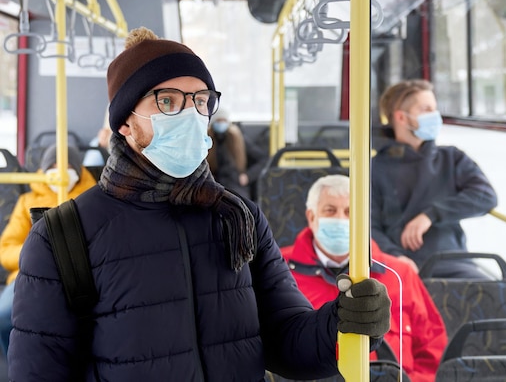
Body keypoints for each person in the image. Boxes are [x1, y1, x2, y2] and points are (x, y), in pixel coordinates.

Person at [8, 27, 391, 381]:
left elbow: (287, 341)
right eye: (168, 101)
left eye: (201, 100)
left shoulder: (238, 218)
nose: (191, 115)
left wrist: (343, 323)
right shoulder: (64, 238)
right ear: (126, 122)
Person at [281, 174, 448, 382]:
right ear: (312, 217)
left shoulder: (400, 274)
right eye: (330, 211)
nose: (340, 219)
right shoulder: (278, 271)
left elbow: (432, 352)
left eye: (349, 212)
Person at [372, 79, 498, 278]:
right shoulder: (375, 168)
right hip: (399, 265)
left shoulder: (452, 158)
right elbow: (369, 227)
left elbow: (485, 197)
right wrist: (395, 257)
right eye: (426, 109)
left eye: (434, 108)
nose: (434, 115)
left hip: (452, 261)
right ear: (401, 118)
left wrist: (430, 215)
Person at [0, 144, 96, 358]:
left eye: (66, 165)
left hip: (81, 274)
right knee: (4, 315)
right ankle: (16, 362)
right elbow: (6, 249)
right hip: (28, 274)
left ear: (78, 170)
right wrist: (36, 256)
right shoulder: (27, 202)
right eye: (52, 165)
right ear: (44, 170)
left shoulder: (92, 200)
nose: (59, 171)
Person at [206, 108, 253, 198]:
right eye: (218, 121)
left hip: (235, 184)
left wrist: (248, 176)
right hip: (213, 184)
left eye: (223, 121)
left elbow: (262, 159)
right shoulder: (207, 140)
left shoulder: (239, 139)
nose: (221, 124)